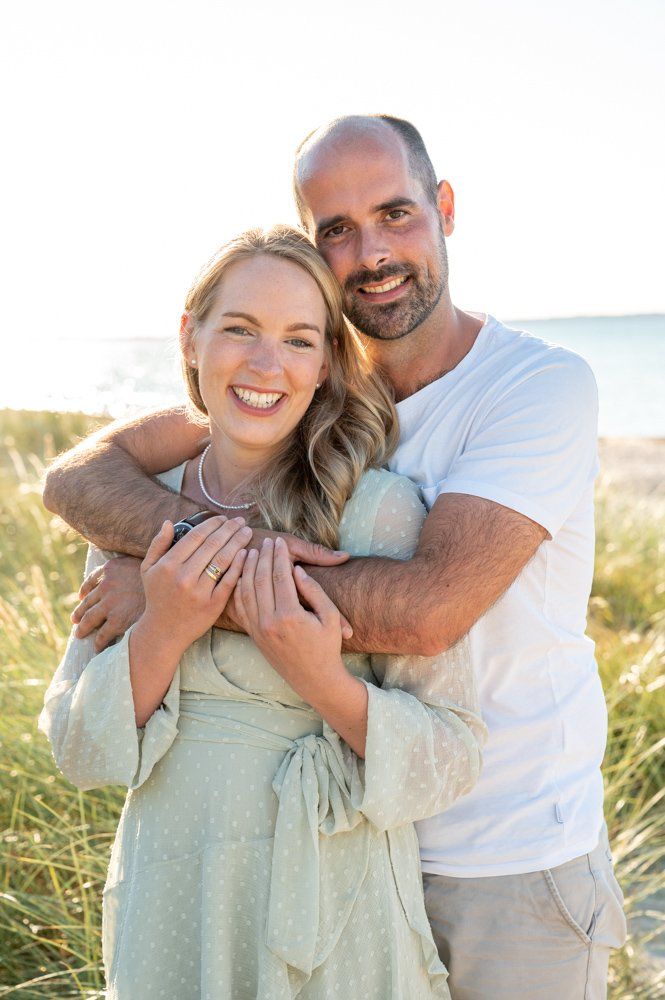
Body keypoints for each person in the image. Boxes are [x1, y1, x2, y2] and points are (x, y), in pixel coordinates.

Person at [43, 115, 627, 998]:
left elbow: (427, 614)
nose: (373, 250)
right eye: (338, 229)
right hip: (241, 887)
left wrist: (181, 577)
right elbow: (78, 476)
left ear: (444, 209)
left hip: (504, 858)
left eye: (395, 213)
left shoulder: (529, 390)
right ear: (191, 340)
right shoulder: (286, 395)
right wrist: (163, 589)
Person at [39, 225, 485, 999]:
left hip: (334, 901)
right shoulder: (135, 517)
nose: (264, 363)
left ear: (324, 366)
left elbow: (451, 758)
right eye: (239, 329)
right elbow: (82, 750)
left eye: (298, 339)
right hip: (172, 896)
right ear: (191, 338)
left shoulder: (375, 513)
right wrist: (167, 625)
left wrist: (324, 681)